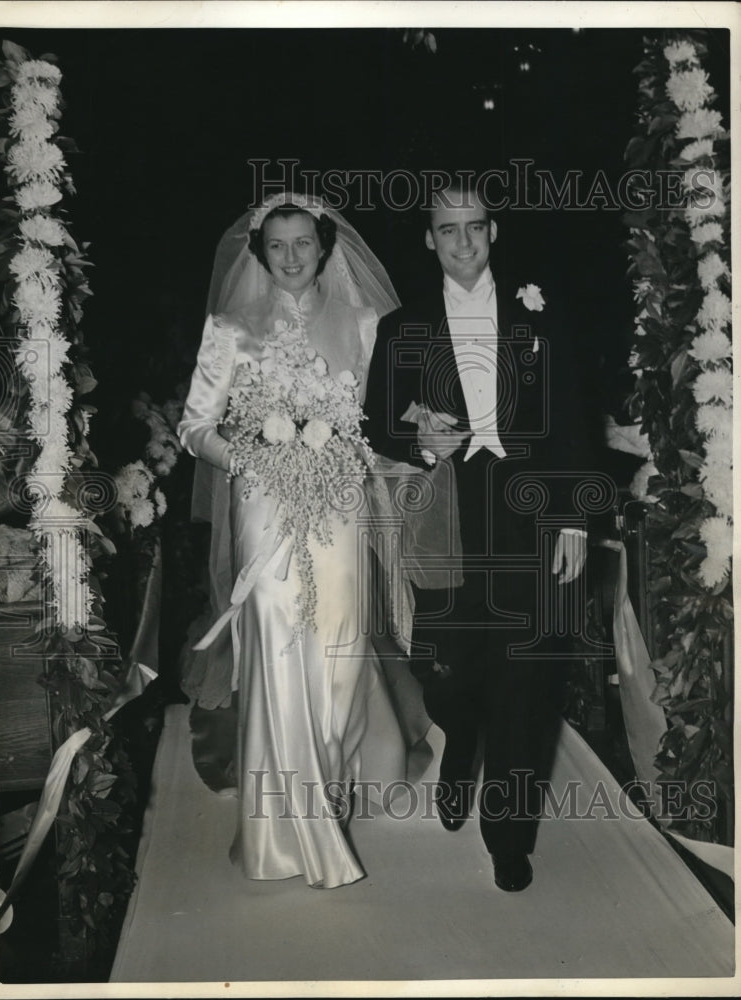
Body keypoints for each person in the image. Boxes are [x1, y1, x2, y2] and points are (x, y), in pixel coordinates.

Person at [363, 179, 608, 892]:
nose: (462, 241)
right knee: (449, 675)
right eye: (447, 230)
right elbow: (377, 423)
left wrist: (572, 515)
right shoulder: (401, 327)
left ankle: (507, 834)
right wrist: (418, 439)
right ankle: (458, 740)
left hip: (533, 512)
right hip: (447, 516)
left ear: (492, 231)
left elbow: (572, 422)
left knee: (526, 679)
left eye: (474, 227)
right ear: (428, 239)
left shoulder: (542, 315)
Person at [178, 192, 406, 888]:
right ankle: (282, 828)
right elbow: (195, 428)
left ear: (324, 244)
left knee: (338, 647)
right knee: (278, 642)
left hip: (338, 501)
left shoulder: (365, 324)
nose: (290, 257)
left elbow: (383, 423)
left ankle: (331, 787)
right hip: (262, 504)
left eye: (302, 242)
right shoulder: (229, 327)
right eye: (275, 245)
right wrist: (252, 458)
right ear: (259, 252)